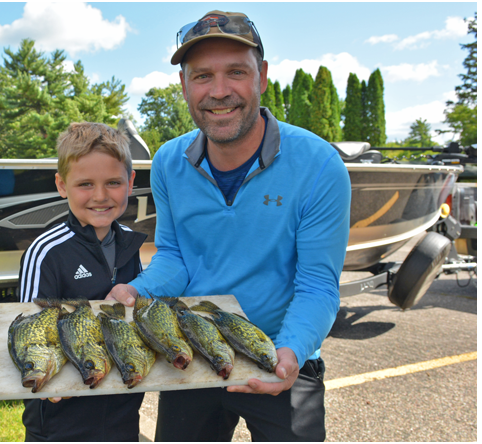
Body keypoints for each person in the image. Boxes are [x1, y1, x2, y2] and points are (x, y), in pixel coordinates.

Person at [106, 10, 351, 442]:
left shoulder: (319, 166)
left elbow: (317, 285)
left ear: (262, 77)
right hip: (197, 348)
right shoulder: (167, 162)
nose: (219, 92)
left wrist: (288, 355)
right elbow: (177, 257)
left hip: (280, 351)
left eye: (236, 72)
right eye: (202, 76)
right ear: (184, 86)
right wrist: (138, 290)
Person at [18, 122, 147, 441]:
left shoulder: (130, 243)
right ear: (62, 185)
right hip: (63, 418)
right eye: (85, 184)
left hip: (122, 410)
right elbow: (28, 329)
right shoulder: (45, 252)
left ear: (130, 182)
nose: (100, 196)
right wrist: (48, 385)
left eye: (113, 182)